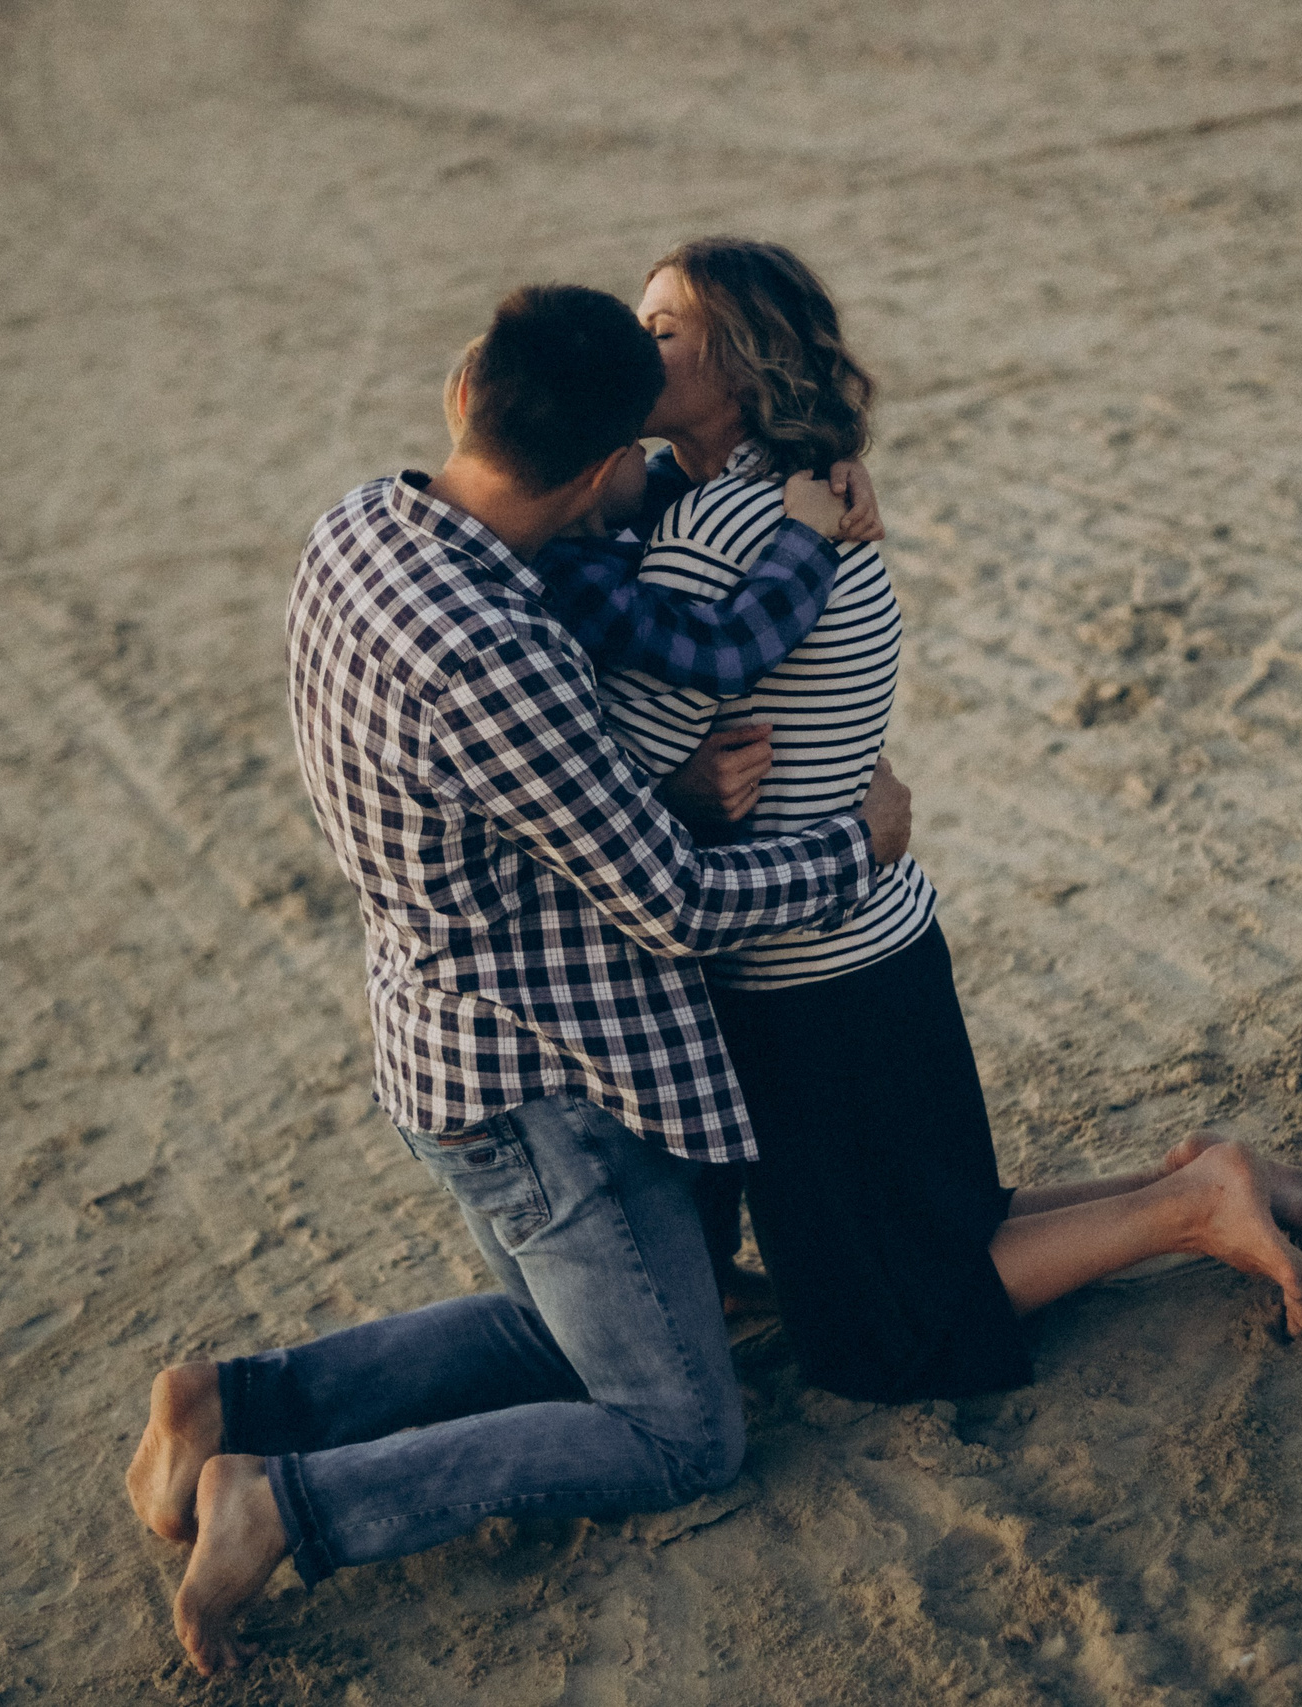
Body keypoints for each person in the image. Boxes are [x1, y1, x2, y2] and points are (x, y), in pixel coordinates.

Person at [121, 283, 915, 1676]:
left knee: (572, 1335)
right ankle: (286, 1499)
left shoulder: (365, 522)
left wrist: (655, 782)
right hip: (542, 1082)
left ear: (464, 395)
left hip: (433, 1034)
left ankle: (227, 1400)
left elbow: (497, 804)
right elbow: (668, 903)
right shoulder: (498, 648)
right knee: (683, 1429)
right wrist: (852, 847)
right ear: (609, 470)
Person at [595, 237, 1302, 1403]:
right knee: (943, 1221)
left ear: (743, 362)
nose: (632, 342)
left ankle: (1190, 1206)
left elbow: (611, 768)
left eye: (662, 328)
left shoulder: (712, 537)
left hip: (803, 973)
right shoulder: (801, 494)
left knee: (889, 1326)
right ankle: (1213, 1178)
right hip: (880, 939)